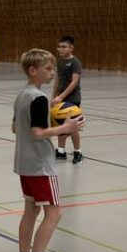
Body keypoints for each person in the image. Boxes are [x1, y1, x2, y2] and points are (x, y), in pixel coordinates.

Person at [12, 49, 83, 252]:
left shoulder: (22, 95)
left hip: (24, 163)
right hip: (41, 165)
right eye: (48, 69)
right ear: (33, 71)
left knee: (30, 211)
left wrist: (47, 121)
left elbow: (15, 128)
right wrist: (65, 128)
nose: (53, 73)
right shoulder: (39, 98)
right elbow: (38, 133)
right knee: (54, 213)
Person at [52, 35, 83, 164]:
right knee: (60, 124)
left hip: (72, 99)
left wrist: (61, 96)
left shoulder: (75, 62)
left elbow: (74, 82)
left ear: (71, 48)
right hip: (60, 98)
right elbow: (57, 80)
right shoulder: (60, 62)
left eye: (64, 47)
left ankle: (77, 152)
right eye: (59, 46)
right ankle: (61, 151)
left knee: (72, 126)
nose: (60, 49)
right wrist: (54, 96)